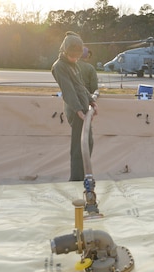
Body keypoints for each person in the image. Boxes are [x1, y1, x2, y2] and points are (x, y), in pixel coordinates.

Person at [51, 31, 98, 181]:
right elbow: (68, 90)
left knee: (88, 143)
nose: (74, 58)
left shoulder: (74, 65)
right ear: (64, 51)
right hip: (75, 109)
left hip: (83, 108)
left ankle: (84, 175)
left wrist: (91, 101)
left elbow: (80, 86)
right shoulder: (59, 67)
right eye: (72, 56)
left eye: (77, 56)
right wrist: (78, 109)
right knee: (79, 147)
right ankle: (77, 179)